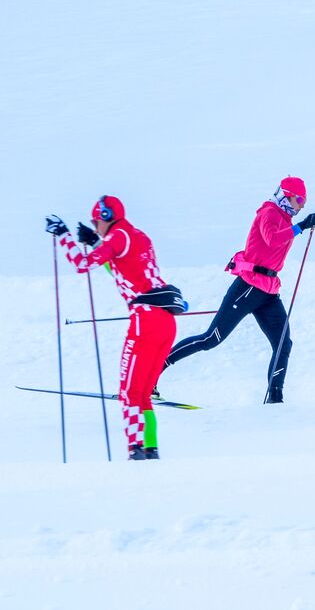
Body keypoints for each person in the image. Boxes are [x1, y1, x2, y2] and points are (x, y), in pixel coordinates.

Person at [45, 196, 188, 460]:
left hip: (145, 321)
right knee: (143, 395)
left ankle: (135, 452)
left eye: (95, 221)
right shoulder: (138, 236)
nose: (94, 225)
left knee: (129, 394)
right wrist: (96, 242)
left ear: (106, 216)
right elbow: (123, 269)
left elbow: (81, 264)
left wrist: (64, 234)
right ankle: (151, 450)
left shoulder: (117, 237)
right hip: (167, 322)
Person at [162, 177, 315, 404]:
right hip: (248, 286)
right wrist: (301, 226)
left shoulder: (285, 219)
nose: (301, 205)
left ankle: (275, 400)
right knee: (211, 338)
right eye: (299, 199)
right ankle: (155, 372)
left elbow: (280, 241)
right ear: (286, 195)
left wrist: (302, 226)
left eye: (304, 201)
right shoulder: (268, 212)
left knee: (283, 345)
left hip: (268, 291)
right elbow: (272, 239)